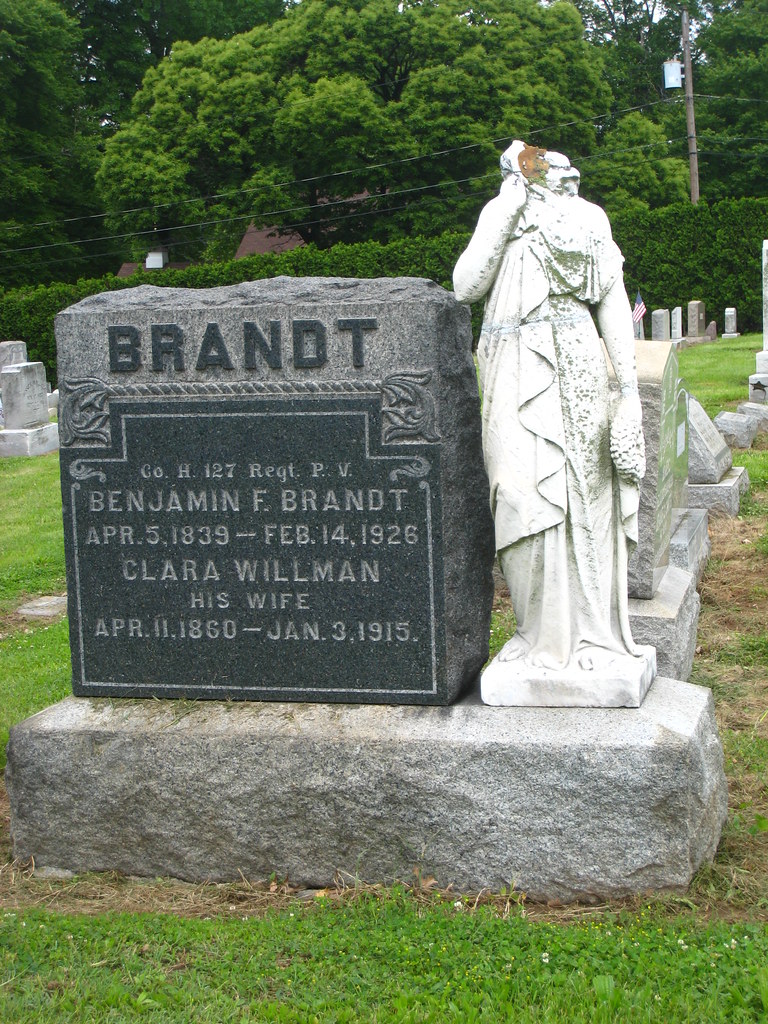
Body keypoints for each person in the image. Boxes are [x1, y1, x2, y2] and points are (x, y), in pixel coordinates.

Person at [453, 141, 652, 692]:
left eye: (563, 169)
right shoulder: (502, 212)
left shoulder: (588, 219)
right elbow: (465, 287)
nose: (558, 176)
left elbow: (612, 300)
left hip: (577, 365)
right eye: (544, 167)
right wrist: (507, 208)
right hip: (510, 365)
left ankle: (591, 637)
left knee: (585, 494)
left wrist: (629, 394)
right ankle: (537, 634)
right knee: (516, 490)